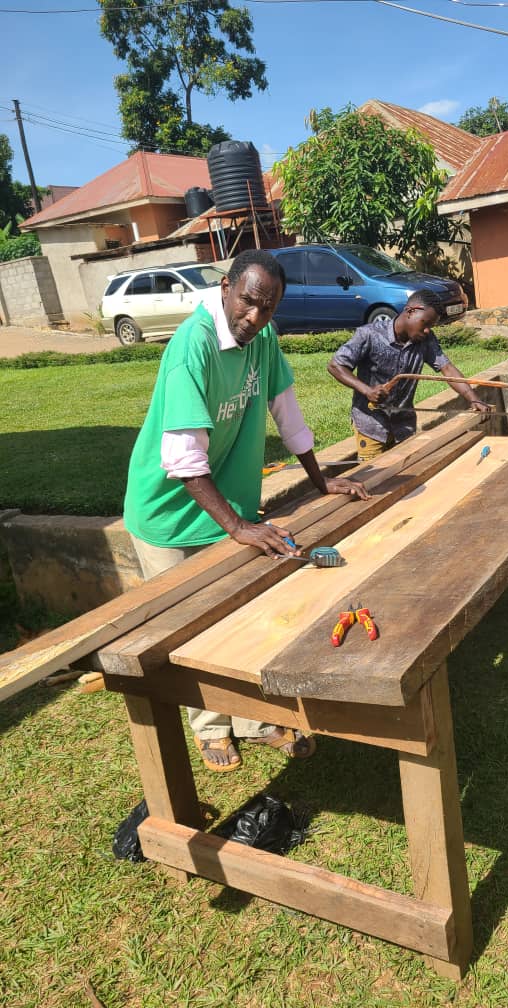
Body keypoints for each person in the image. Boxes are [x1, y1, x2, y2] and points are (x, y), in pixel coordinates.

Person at [123, 249, 368, 772]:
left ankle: (253, 720)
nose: (255, 317)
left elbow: (287, 410)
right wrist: (237, 527)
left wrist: (322, 481)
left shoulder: (262, 340)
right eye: (249, 302)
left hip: (227, 510)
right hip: (168, 515)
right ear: (227, 286)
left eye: (269, 308)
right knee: (187, 628)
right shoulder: (194, 346)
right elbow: (183, 460)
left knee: (238, 616)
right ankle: (211, 728)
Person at [327, 289, 492, 462]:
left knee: (407, 471)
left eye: (432, 326)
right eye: (425, 323)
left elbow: (447, 369)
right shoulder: (369, 334)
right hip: (371, 425)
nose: (428, 330)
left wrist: (473, 398)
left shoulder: (425, 340)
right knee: (374, 478)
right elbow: (335, 365)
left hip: (403, 425)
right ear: (411, 310)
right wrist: (367, 391)